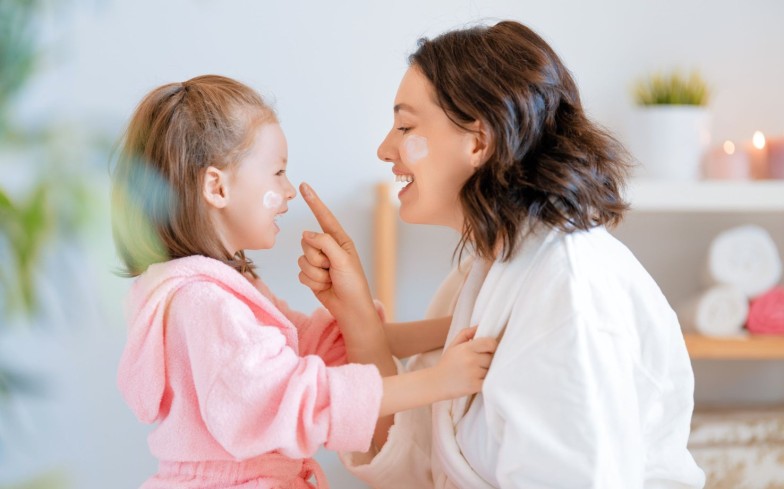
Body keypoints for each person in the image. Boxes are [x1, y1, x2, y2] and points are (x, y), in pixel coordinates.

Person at [297, 21, 706, 488]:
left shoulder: (570, 288)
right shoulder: (482, 274)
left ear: (478, 140)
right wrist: (355, 312)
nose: (384, 148)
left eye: (406, 126)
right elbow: (420, 466)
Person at [110, 74, 496, 489]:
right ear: (216, 187)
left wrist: (458, 326)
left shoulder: (231, 289)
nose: (289, 191)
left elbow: (325, 347)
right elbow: (298, 398)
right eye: (277, 173)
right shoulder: (203, 304)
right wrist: (440, 381)